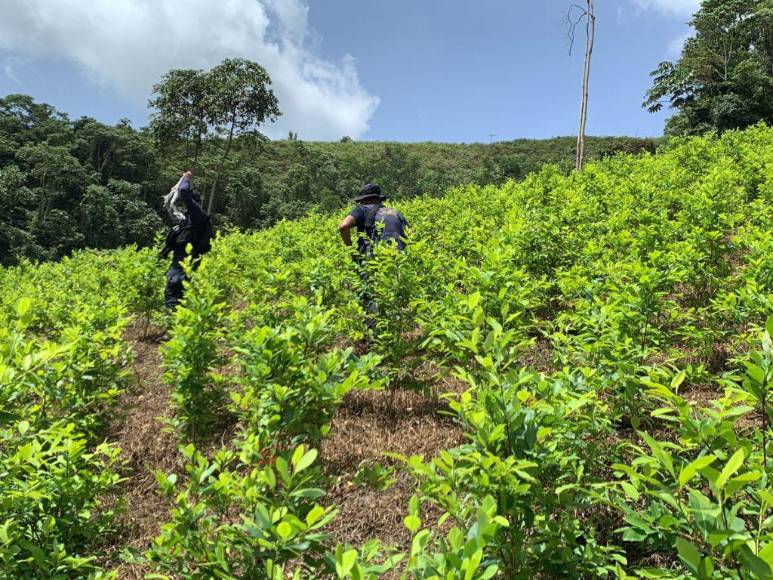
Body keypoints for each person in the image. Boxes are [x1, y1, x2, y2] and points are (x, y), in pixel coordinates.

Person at [161, 170, 213, 310]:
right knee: (180, 294)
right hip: (185, 258)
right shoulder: (188, 218)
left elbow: (183, 191)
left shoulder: (196, 214)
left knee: (173, 292)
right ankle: (179, 323)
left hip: (184, 259)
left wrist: (186, 178)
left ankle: (173, 326)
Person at [338, 183, 408, 260]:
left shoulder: (362, 209)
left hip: (374, 257)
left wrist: (352, 251)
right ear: (379, 199)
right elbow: (410, 232)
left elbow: (343, 226)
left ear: (364, 200)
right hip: (400, 256)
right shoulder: (395, 212)